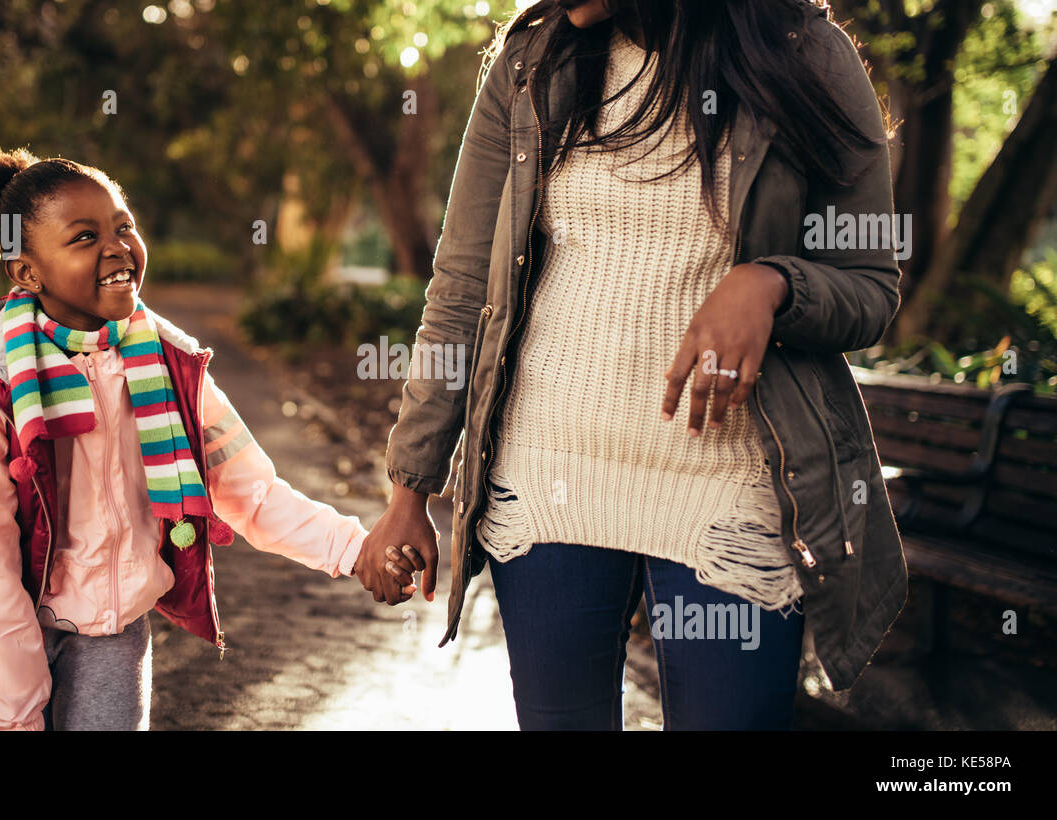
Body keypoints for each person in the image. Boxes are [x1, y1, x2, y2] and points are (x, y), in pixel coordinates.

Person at [356, 0, 908, 730]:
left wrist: (771, 283)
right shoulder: (533, 62)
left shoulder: (806, 57)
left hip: (729, 501)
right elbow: (462, 290)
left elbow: (871, 286)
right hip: (548, 489)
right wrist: (410, 488)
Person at [0, 149, 411, 730]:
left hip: (114, 634)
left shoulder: (168, 366)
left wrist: (355, 548)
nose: (117, 246)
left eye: (125, 226)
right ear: (27, 272)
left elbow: (251, 490)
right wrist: (19, 715)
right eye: (84, 237)